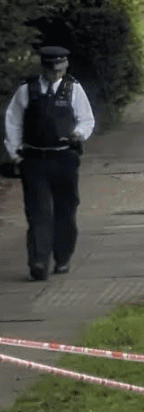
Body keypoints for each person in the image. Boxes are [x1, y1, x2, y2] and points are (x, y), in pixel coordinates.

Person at [4, 44, 95, 281]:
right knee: (38, 212)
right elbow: (13, 122)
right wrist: (15, 153)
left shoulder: (72, 88)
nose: (57, 75)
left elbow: (86, 119)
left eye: (61, 70)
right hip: (35, 158)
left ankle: (62, 256)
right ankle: (38, 260)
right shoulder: (28, 90)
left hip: (64, 157)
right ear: (44, 68)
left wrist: (79, 134)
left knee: (66, 210)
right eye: (53, 70)